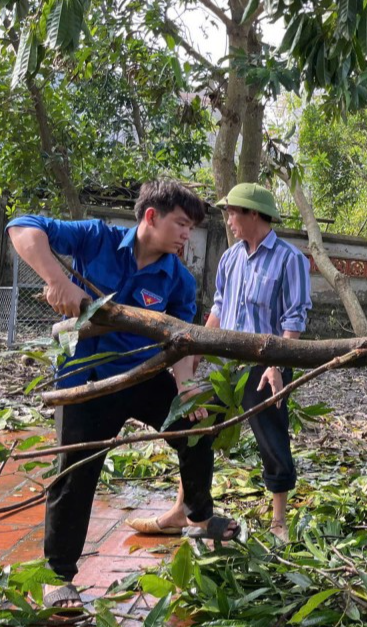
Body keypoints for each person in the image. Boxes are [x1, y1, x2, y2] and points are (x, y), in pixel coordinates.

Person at [6, 181, 239, 612]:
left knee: (197, 428)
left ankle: (200, 518)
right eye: (181, 223)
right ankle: (58, 578)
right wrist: (57, 281)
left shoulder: (179, 281)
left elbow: (180, 346)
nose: (188, 234)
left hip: (144, 376)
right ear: (151, 216)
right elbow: (21, 227)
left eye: (191, 227)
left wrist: (187, 388)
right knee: (75, 472)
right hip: (87, 379)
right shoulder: (96, 238)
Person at [127, 183, 312, 542]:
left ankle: (278, 521)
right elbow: (219, 310)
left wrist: (277, 365)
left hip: (267, 365)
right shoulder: (230, 258)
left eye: (233, 213)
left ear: (253, 214)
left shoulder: (290, 259)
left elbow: (294, 319)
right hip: (229, 368)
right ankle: (186, 507)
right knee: (195, 424)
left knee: (271, 437)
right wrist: (194, 352)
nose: (228, 220)